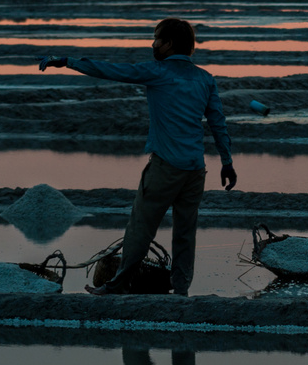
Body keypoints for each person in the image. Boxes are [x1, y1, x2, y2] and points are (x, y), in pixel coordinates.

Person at [40, 18, 236, 295]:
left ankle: (118, 285)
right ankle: (180, 290)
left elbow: (112, 70)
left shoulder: (158, 71)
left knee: (140, 228)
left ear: (169, 44)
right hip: (195, 170)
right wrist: (227, 162)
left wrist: (68, 61)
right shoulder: (205, 79)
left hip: (166, 167)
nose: (153, 44)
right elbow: (218, 123)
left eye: (156, 39)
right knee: (185, 233)